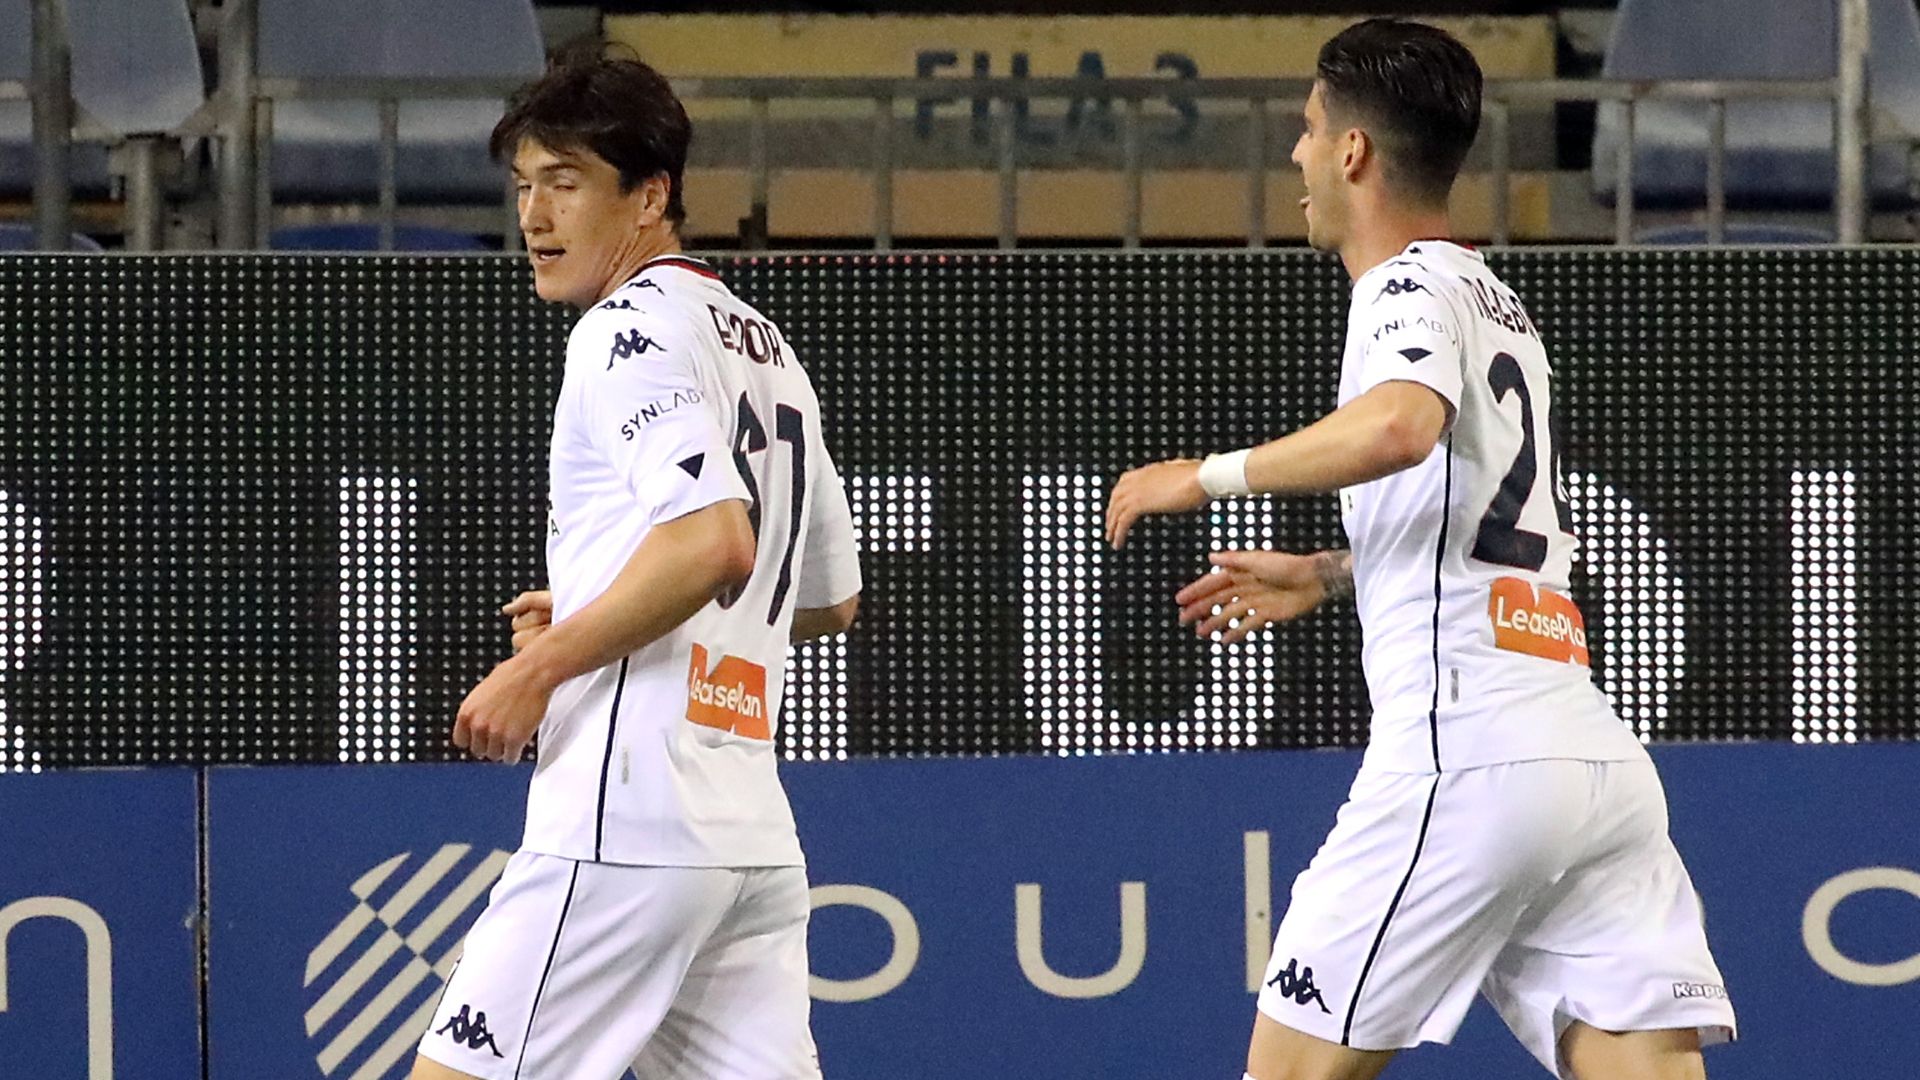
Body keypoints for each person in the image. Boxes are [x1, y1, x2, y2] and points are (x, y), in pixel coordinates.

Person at [1104, 19, 1735, 1080]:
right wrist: (1331, 570)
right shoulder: (1495, 299)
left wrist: (1205, 475)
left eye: (1308, 131)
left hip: (1468, 758)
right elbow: (1487, 522)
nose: (1297, 156)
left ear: (1352, 152)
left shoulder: (1400, 288)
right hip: (1592, 764)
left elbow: (1401, 426)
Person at [410, 45, 861, 1080]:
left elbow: (714, 542)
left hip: (625, 828)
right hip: (744, 842)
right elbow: (827, 600)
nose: (534, 217)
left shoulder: (626, 329)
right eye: (525, 186)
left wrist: (544, 663)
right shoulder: (763, 345)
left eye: (566, 185)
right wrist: (604, 605)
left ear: (650, 195)